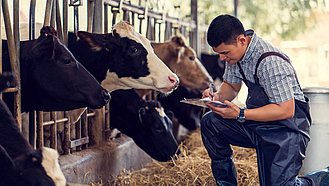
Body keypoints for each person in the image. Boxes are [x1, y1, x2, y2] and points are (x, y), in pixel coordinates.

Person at [201, 14, 329, 186]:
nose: (222, 58)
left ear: (241, 40)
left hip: (287, 130)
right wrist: (215, 97)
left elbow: (286, 110)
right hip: (258, 124)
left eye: (225, 53)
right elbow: (231, 87)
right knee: (211, 122)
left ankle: (323, 178)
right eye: (219, 54)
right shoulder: (235, 57)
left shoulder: (270, 61)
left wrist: (239, 113)